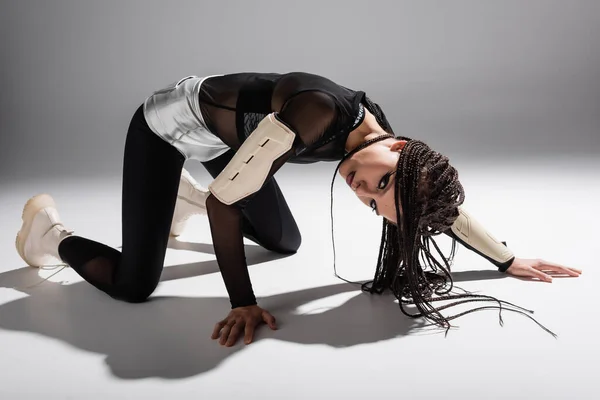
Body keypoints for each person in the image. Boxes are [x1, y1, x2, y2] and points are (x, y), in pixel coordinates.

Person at [15, 72, 581, 347]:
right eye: (380, 184)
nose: (363, 190)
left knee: (286, 242)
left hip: (230, 146)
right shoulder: (317, 113)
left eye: (374, 203)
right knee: (137, 286)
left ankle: (174, 200)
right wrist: (243, 303)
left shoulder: (387, 148)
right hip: (167, 126)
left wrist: (507, 262)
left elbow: (429, 201)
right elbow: (226, 200)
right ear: (401, 146)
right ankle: (48, 230)